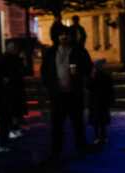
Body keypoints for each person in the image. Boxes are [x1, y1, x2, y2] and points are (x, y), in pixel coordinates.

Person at [43, 24, 86, 159]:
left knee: (78, 123)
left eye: (66, 34)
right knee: (57, 125)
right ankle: (56, 150)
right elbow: (45, 70)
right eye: (61, 34)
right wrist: (49, 86)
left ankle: (81, 146)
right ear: (57, 36)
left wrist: (79, 74)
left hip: (74, 93)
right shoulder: (51, 52)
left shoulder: (79, 51)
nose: (64, 37)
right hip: (58, 94)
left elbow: (87, 67)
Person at [87, 58, 115, 147]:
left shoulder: (104, 77)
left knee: (101, 121)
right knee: (96, 121)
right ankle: (98, 136)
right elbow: (89, 87)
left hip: (101, 102)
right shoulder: (93, 77)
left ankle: (101, 136)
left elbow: (109, 89)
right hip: (96, 102)